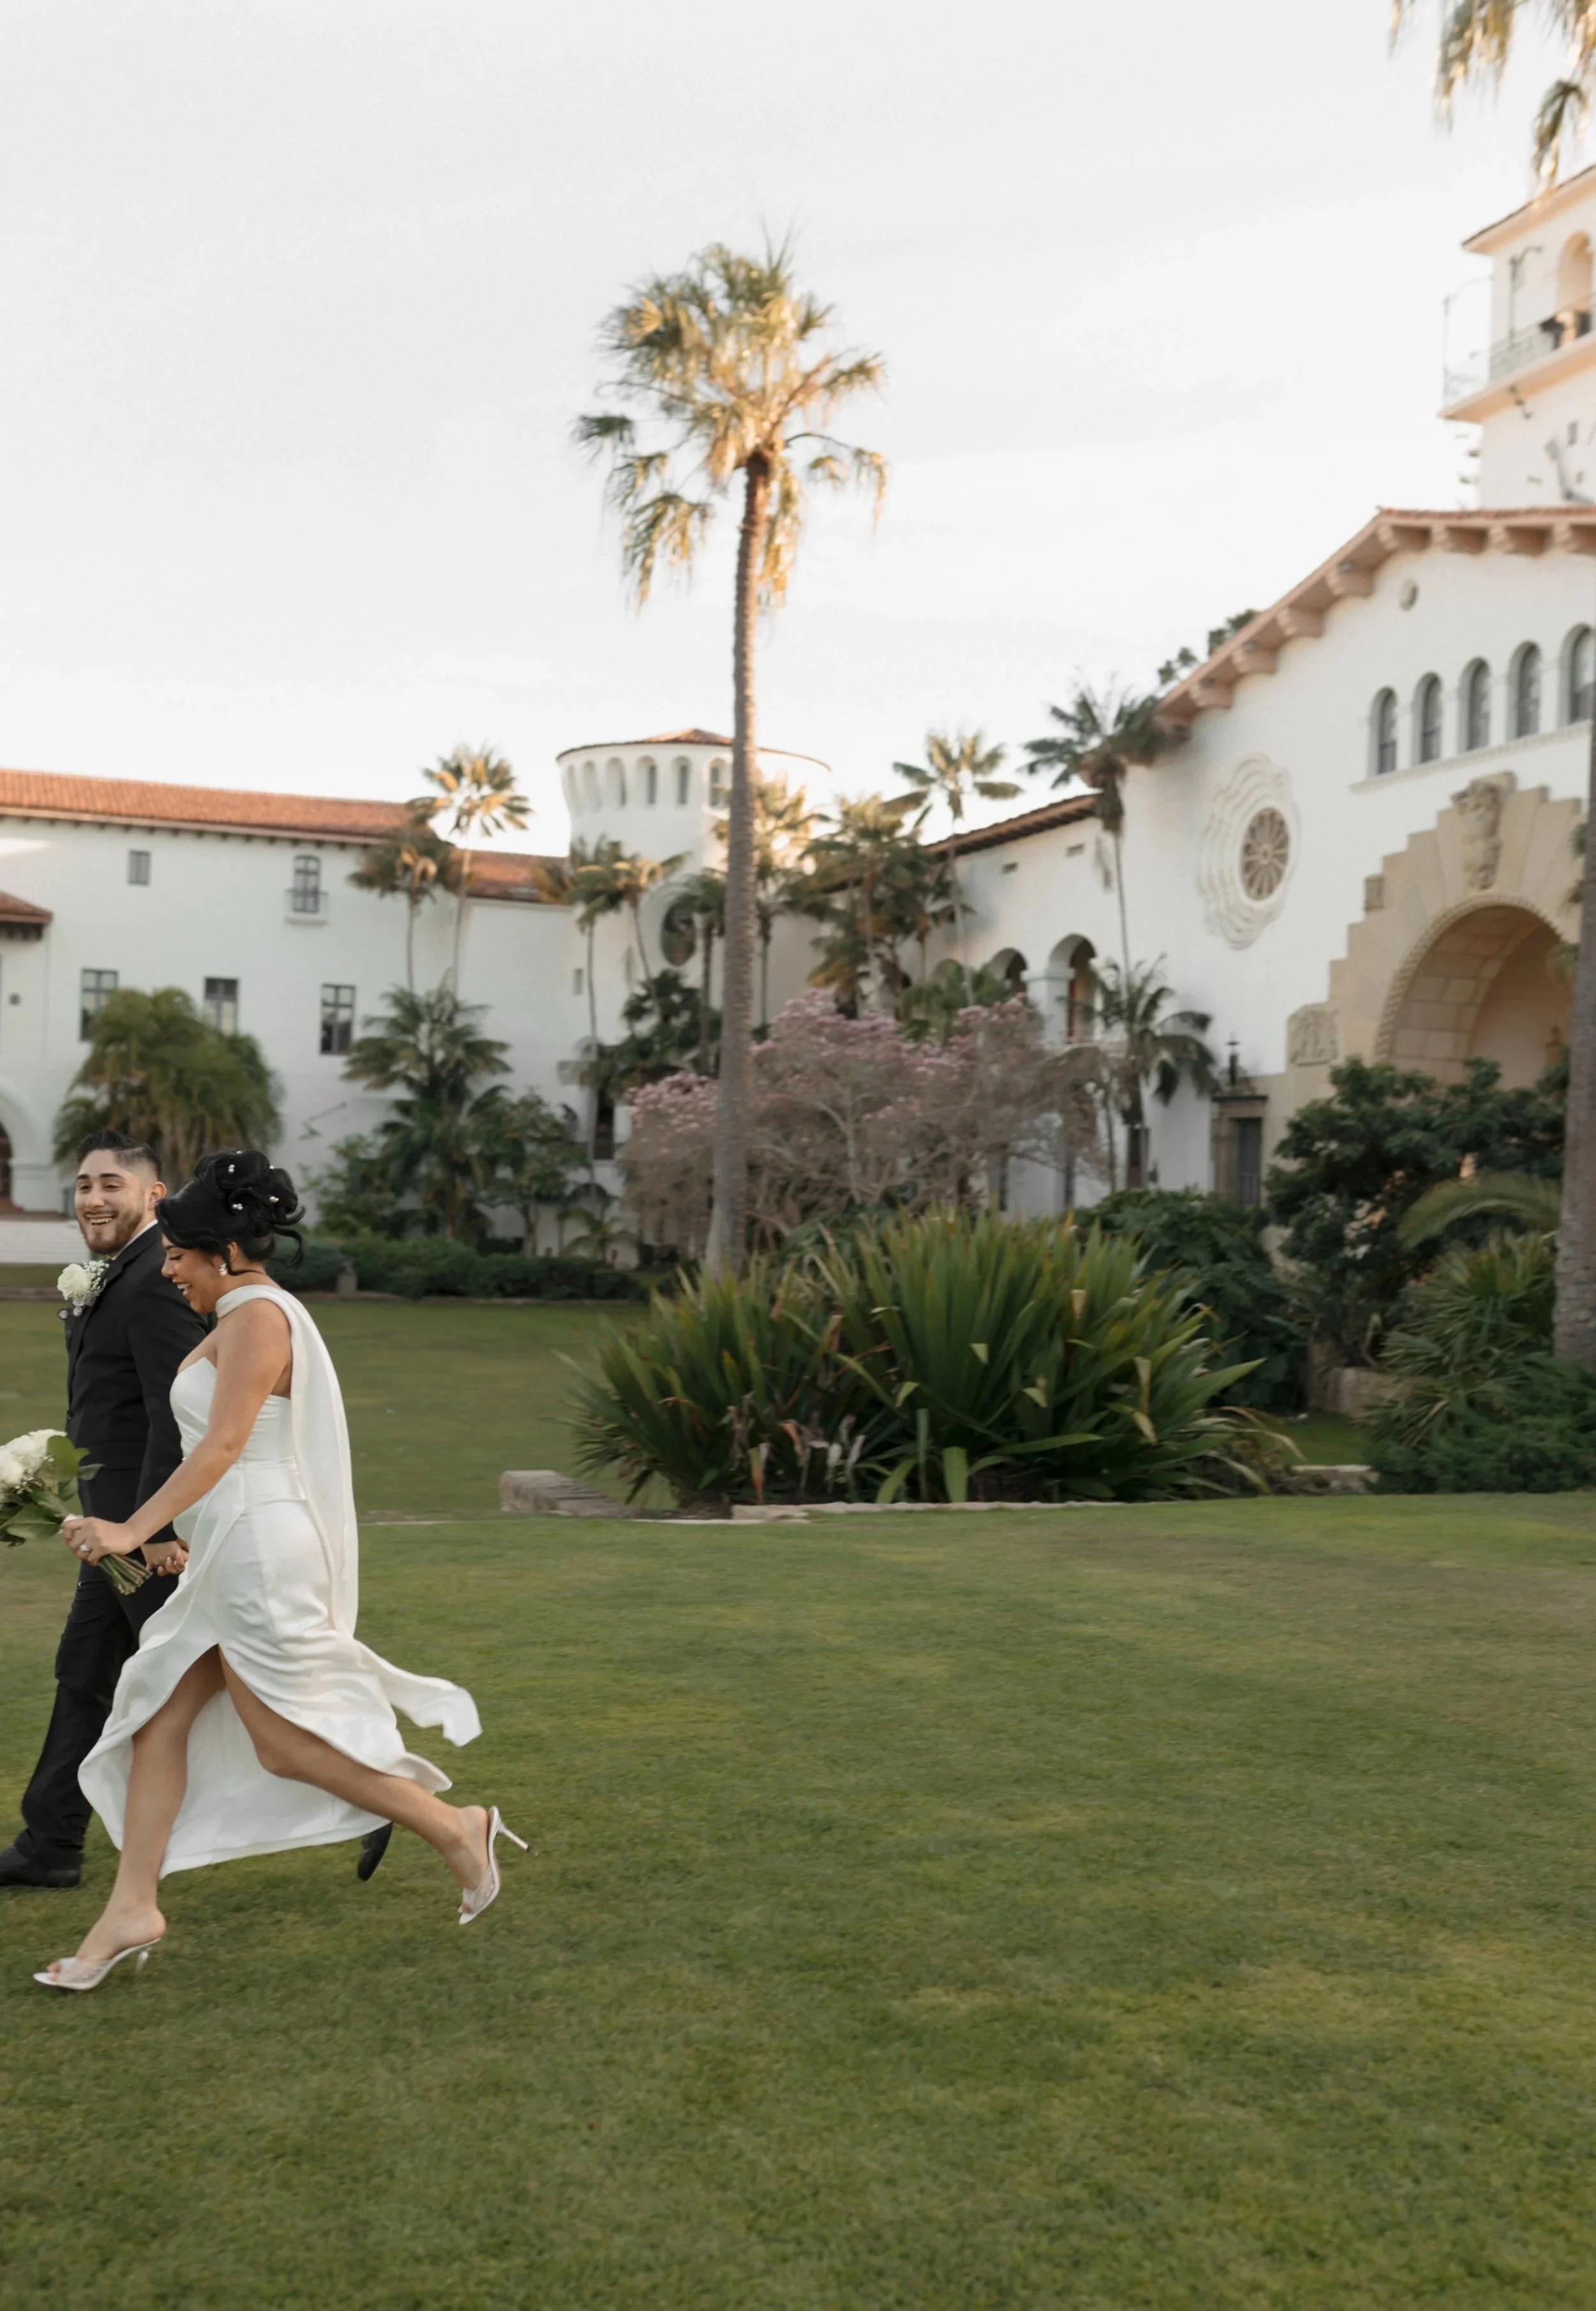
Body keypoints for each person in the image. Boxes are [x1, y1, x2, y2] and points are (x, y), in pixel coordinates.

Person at [32, 1149, 521, 1993]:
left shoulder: (260, 1320)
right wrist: (161, 1539)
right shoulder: (236, 1317)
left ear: (223, 1250)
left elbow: (223, 1447)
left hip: (261, 1551)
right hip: (229, 1545)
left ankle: (455, 1827)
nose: (170, 1266)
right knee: (155, 1717)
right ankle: (131, 1908)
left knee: (283, 1745)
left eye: (181, 1253)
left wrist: (133, 1530)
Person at [0, 1131, 204, 1890]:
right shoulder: (111, 1274)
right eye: (84, 1184)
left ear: (152, 1194)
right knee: (84, 1671)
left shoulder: (157, 1276)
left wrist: (159, 1530)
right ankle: (51, 1842)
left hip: (146, 1535)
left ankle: (374, 1790)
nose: (93, 1197)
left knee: (225, 1680)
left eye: (111, 1183)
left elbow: (175, 1412)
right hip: (114, 1532)